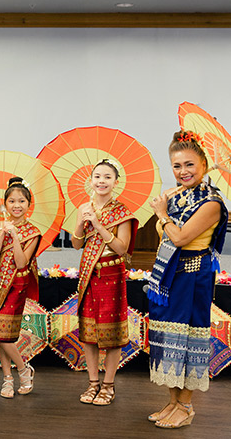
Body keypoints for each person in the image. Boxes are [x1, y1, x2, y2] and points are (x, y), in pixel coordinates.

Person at [146, 131, 227, 429]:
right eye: (177, 166)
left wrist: (162, 213)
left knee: (189, 336)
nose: (183, 172)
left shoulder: (212, 203)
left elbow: (179, 237)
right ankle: (173, 402)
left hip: (194, 277)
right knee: (169, 338)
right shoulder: (178, 196)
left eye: (190, 165)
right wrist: (165, 205)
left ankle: (187, 405)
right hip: (169, 277)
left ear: (204, 164)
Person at [71, 159, 137, 406]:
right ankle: (92, 383)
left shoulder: (122, 212)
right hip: (89, 275)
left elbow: (121, 248)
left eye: (107, 177)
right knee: (88, 333)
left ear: (116, 182)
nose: (101, 181)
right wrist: (83, 220)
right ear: (91, 180)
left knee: (112, 334)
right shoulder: (83, 207)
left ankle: (108, 385)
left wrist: (98, 225)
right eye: (97, 176)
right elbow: (77, 244)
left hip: (112, 275)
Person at [0, 177, 40, 398]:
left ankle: (24, 369)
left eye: (22, 201)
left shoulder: (33, 231)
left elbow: (21, 262)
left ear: (28, 204)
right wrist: (1, 235)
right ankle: (7, 378)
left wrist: (15, 237)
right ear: (4, 204)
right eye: (12, 201)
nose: (17, 205)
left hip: (16, 286)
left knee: (2, 334)